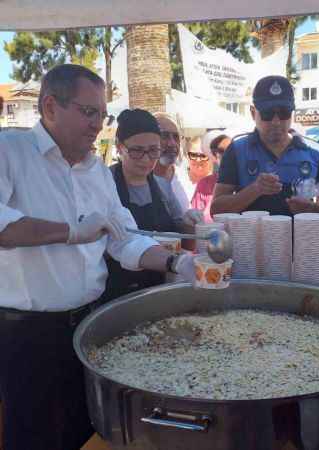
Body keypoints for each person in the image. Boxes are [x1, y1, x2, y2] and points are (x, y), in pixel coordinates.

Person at [0, 64, 195, 450]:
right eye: (88, 112)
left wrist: (177, 263)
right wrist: (71, 232)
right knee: (34, 431)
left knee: (85, 425)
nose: (96, 125)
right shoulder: (10, 150)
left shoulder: (96, 172)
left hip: (90, 321)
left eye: (101, 115)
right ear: (50, 106)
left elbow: (124, 238)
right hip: (27, 331)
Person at [211, 75, 319, 222]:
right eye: (267, 113)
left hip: (301, 243)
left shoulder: (314, 152)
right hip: (251, 243)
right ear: (253, 113)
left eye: (284, 113)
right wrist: (254, 190)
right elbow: (216, 210)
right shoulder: (237, 150)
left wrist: (312, 208)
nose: (276, 121)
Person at [105, 108, 203, 299]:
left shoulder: (161, 186)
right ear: (119, 147)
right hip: (116, 289)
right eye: (136, 151)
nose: (146, 159)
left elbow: (185, 239)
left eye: (153, 151)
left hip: (159, 285)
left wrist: (190, 223)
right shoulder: (105, 183)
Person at [153, 112, 191, 212]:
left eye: (176, 137)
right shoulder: (140, 178)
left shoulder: (183, 177)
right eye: (164, 136)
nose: (172, 143)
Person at [191, 129, 231, 222]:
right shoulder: (204, 184)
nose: (225, 155)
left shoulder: (246, 179)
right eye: (219, 151)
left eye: (229, 149)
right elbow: (196, 220)